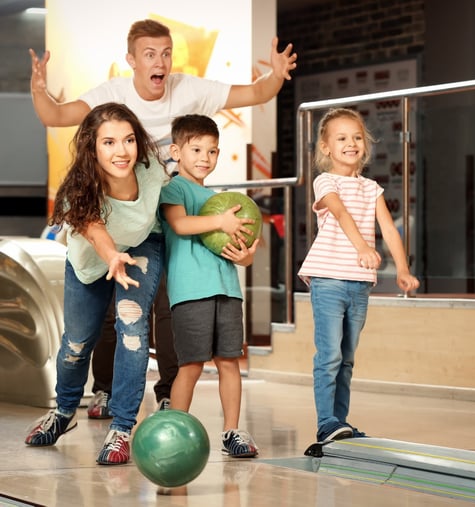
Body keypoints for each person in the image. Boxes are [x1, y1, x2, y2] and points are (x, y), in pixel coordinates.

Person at [28, 18, 297, 416]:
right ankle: (102, 390)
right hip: (120, 214)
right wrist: (38, 89)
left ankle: (167, 391)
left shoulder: (189, 89)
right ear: (131, 60)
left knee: (167, 306)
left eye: (166, 53)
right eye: (150, 54)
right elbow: (55, 115)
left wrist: (275, 76)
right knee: (108, 308)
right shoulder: (112, 95)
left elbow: (256, 92)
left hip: (167, 212)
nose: (161, 62)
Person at [24, 102, 169, 465]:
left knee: (132, 329)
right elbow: (93, 228)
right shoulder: (78, 188)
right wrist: (111, 257)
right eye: (109, 142)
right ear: (92, 147)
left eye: (129, 140)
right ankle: (64, 410)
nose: (122, 151)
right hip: (90, 263)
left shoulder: (152, 171)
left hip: (141, 248)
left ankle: (121, 428)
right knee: (76, 342)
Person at [298, 108, 421, 443]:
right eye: (341, 138)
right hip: (328, 281)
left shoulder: (371, 188)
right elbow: (339, 213)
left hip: (359, 284)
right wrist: (363, 248)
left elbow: (389, 230)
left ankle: (340, 421)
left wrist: (403, 270)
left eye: (356, 137)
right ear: (325, 147)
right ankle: (326, 422)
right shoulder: (325, 181)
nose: (350, 143)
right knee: (329, 355)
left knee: (347, 358)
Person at [159, 114, 259, 458]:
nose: (205, 158)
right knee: (191, 365)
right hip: (190, 294)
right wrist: (221, 221)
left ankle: (232, 431)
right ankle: (175, 430)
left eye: (213, 151)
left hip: (227, 290)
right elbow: (181, 224)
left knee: (229, 362)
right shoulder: (174, 189)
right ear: (176, 151)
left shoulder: (220, 199)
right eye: (197, 149)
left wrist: (246, 256)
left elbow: (234, 253)